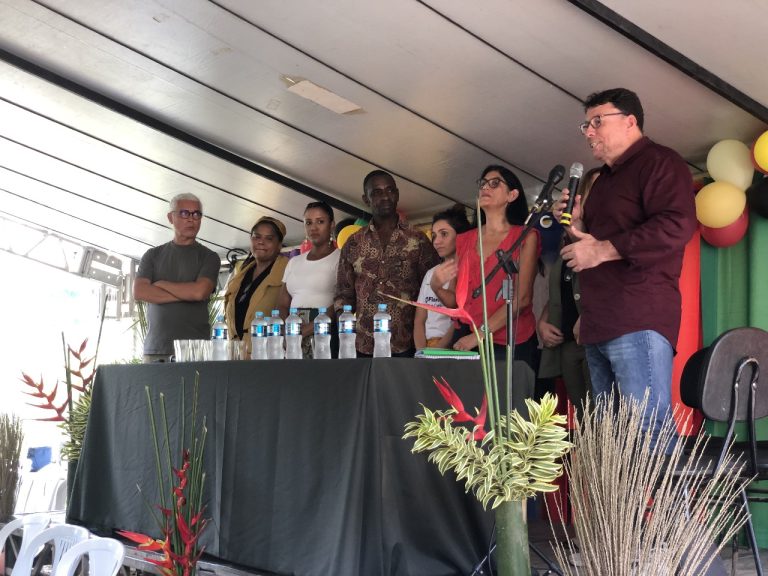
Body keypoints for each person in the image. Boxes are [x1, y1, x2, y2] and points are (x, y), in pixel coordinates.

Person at [554, 88, 697, 443]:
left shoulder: (660, 162)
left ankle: (667, 486)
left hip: (637, 317)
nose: (589, 132)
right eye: (586, 125)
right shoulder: (604, 180)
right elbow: (592, 245)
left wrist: (603, 249)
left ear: (630, 121)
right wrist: (576, 224)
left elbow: (676, 225)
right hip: (598, 322)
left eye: (597, 122)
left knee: (648, 434)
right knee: (612, 440)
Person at [431, 165, 540, 367]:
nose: (485, 188)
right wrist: (436, 286)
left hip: (509, 340)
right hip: (467, 338)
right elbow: (455, 301)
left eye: (495, 183)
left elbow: (522, 298)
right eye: (482, 183)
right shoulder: (464, 240)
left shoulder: (525, 236)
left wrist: (478, 335)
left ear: (512, 195)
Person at [334, 170, 439, 356]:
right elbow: (344, 294)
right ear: (366, 199)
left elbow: (431, 291)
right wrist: (346, 337)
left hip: (407, 343)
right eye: (377, 192)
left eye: (390, 190)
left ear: (397, 195)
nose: (385, 197)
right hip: (363, 345)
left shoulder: (418, 239)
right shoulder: (354, 243)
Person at [538, 168, 600, 419]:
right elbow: (559, 293)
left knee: (603, 413)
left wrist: (589, 316)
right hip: (567, 344)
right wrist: (543, 323)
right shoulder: (568, 242)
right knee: (583, 415)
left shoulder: (606, 239)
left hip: (594, 339)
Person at [134, 193, 220, 362]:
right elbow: (140, 292)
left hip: (196, 349)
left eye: (196, 214)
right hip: (156, 349)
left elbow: (199, 292)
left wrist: (161, 284)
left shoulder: (209, 257)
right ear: (170, 217)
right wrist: (186, 294)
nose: (191, 219)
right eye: (184, 213)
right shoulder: (153, 255)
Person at [278, 201, 340, 357]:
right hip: (292, 333)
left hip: (324, 332)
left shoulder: (341, 258)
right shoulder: (294, 261)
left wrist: (309, 328)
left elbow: (342, 301)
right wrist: (287, 330)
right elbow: (282, 303)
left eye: (320, 221)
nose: (313, 228)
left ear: (332, 224)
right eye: (308, 222)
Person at [223, 216, 289, 351]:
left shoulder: (288, 270)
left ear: (279, 245)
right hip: (236, 352)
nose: (261, 242)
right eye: (256, 237)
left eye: (269, 238)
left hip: (267, 353)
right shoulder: (242, 273)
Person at [414, 205, 471, 350]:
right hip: (426, 347)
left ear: (461, 235)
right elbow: (419, 320)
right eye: (434, 236)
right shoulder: (430, 273)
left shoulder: (468, 272)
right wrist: (421, 352)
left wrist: (437, 351)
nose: (436, 241)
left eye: (444, 234)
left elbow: (458, 322)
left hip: (453, 348)